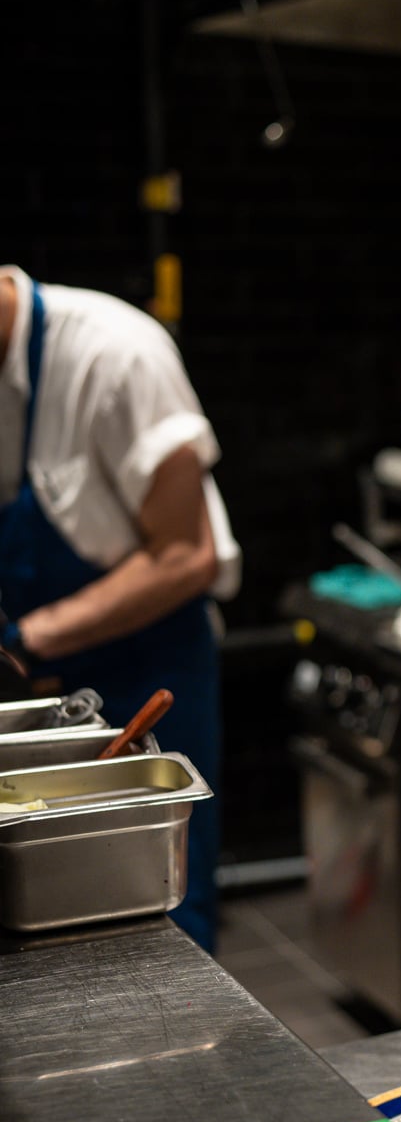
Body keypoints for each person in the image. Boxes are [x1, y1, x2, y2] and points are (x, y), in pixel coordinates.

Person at [0, 266, 239, 950]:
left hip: (147, 670)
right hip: (43, 689)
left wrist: (20, 639)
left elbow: (185, 555)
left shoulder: (115, 353)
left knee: (157, 920)